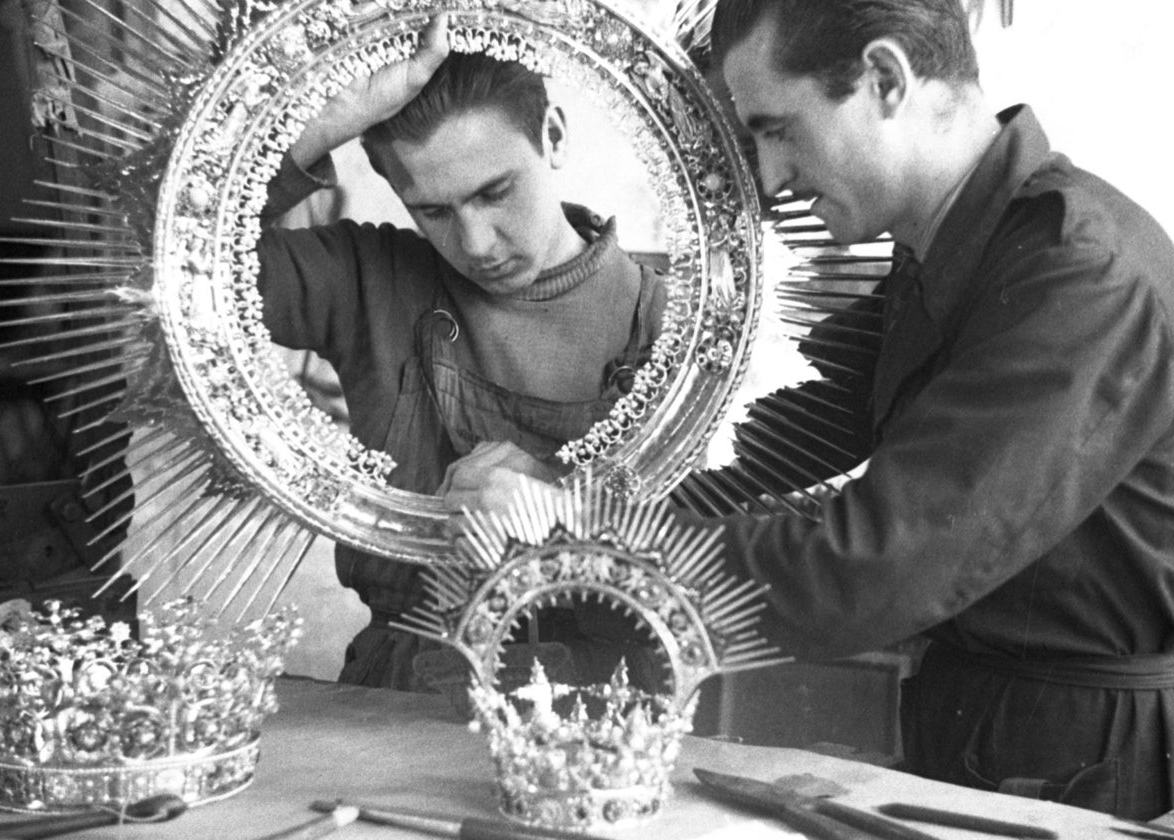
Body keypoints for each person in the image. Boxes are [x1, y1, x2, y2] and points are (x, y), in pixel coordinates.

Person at [443, 0, 1174, 821]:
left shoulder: (1079, 275)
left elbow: (866, 566)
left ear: (886, 79)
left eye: (778, 130)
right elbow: (777, 454)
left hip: (1081, 754)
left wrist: (569, 537)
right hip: (984, 714)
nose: (768, 176)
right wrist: (573, 500)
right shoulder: (959, 246)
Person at [258, 15, 666, 689]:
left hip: (612, 718)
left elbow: (711, 558)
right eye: (434, 212)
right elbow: (156, 264)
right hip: (398, 703)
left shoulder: (671, 330)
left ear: (553, 136)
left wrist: (565, 507)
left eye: (493, 192)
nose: (475, 243)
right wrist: (323, 123)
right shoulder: (365, 281)